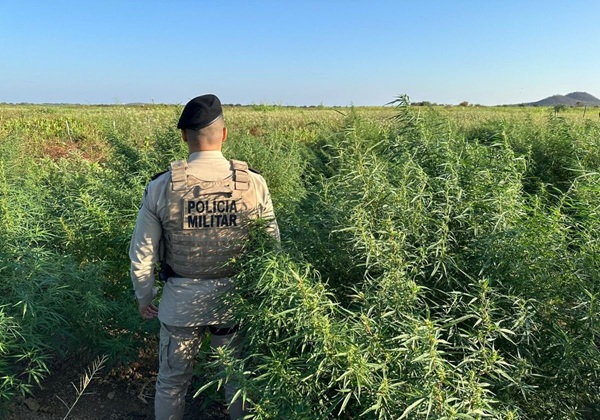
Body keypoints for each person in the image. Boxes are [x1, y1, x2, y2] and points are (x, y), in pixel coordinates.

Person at [129, 94, 280, 420]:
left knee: (172, 382)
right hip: (233, 301)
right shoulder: (253, 183)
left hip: (180, 303)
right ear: (224, 134)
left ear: (184, 136)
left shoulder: (163, 186)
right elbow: (272, 249)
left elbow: (142, 252)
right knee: (237, 380)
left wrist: (145, 297)